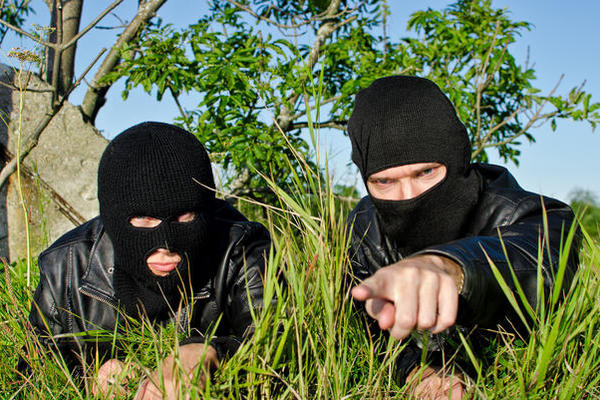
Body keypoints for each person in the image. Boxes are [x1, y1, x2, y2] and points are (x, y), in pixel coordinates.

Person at [346, 76, 580, 399]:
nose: (408, 196)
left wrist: (449, 268)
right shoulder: (365, 228)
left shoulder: (526, 214)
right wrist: (417, 369)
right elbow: (367, 324)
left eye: (426, 172)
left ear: (456, 159)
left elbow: (540, 263)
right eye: (384, 182)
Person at [20, 122, 272, 398]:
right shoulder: (66, 266)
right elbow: (30, 375)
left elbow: (278, 339)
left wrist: (210, 352)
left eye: (184, 216)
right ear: (112, 217)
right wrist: (90, 379)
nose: (166, 243)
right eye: (142, 218)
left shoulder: (240, 248)